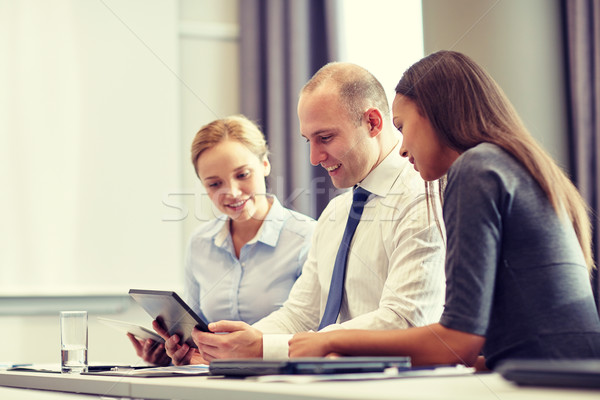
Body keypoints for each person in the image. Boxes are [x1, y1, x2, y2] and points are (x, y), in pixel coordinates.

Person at [288, 50, 600, 370]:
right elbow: (484, 341)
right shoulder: (509, 165)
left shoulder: (477, 168)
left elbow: (457, 342)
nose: (403, 146)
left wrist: (329, 339)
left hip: (549, 381)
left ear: (436, 116)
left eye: (403, 126)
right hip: (565, 372)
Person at [164, 62, 446, 364]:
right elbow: (300, 314)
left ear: (373, 124)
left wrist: (264, 348)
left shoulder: (422, 199)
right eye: (308, 141)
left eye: (325, 138)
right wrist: (239, 345)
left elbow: (404, 320)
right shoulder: (336, 212)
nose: (314, 158)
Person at [128, 115, 316, 365]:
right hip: (213, 381)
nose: (232, 192)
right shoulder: (200, 243)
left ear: (265, 165)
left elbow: (316, 330)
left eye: (243, 175)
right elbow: (196, 331)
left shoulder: (307, 237)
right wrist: (174, 354)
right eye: (215, 184)